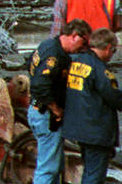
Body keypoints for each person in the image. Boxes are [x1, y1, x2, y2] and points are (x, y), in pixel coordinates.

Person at [28, 18, 91, 184]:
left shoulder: (47, 45)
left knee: (54, 165)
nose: (83, 49)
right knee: (47, 168)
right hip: (46, 116)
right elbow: (40, 86)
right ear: (75, 36)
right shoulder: (53, 56)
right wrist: (56, 109)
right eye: (83, 44)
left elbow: (29, 63)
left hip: (38, 112)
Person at [63, 28, 122, 184]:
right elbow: (114, 96)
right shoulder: (100, 70)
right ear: (109, 48)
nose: (111, 56)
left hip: (79, 128)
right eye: (113, 51)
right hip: (96, 131)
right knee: (94, 176)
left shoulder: (75, 61)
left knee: (88, 170)